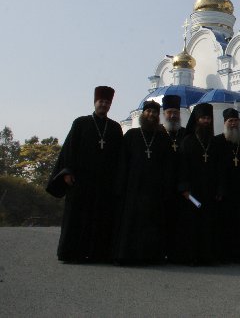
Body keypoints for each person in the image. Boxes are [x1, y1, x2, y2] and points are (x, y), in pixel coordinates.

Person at [47, 85, 123, 263]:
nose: (103, 105)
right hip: (80, 181)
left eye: (107, 102)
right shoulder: (80, 123)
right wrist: (67, 172)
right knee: (77, 217)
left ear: (110, 105)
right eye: (101, 101)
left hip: (105, 183)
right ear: (95, 102)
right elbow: (69, 149)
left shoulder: (114, 128)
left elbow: (120, 156)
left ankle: (99, 254)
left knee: (101, 218)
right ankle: (71, 253)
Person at [113, 100, 173, 264]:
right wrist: (121, 186)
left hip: (155, 190)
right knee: (131, 222)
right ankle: (127, 256)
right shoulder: (131, 135)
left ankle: (151, 257)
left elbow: (168, 165)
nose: (151, 115)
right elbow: (122, 162)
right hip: (133, 188)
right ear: (143, 114)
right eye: (148, 111)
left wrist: (166, 187)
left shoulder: (163, 138)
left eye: (154, 112)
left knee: (152, 223)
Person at [171, 103, 225, 265]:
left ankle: (207, 256)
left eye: (208, 118)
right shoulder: (187, 141)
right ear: (196, 120)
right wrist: (184, 188)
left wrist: (220, 189)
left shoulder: (215, 143)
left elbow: (220, 168)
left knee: (209, 223)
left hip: (210, 191)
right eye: (203, 118)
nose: (206, 121)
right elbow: (182, 166)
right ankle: (190, 256)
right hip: (192, 192)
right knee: (191, 224)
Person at [214, 107, 240, 263]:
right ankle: (223, 254)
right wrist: (219, 189)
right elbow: (214, 169)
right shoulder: (217, 142)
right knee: (224, 224)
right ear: (225, 123)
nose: (234, 123)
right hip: (224, 191)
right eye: (231, 121)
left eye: (236, 121)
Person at [161, 94, 186, 259]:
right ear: (164, 114)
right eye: (169, 112)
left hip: (181, 186)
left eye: (176, 112)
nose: (173, 115)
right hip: (162, 185)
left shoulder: (185, 134)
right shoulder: (157, 132)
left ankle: (177, 254)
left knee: (179, 221)